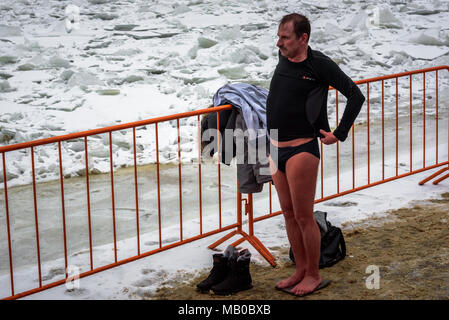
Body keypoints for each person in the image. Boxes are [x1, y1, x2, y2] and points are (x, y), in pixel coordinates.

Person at [267, 13, 365, 296]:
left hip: (301, 149)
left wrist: (339, 132)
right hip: (275, 148)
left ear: (303, 38)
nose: (279, 43)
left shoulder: (319, 64)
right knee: (287, 214)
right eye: (279, 36)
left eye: (284, 38)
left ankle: (313, 274)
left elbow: (354, 95)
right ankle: (299, 269)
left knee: (303, 216)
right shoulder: (284, 59)